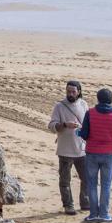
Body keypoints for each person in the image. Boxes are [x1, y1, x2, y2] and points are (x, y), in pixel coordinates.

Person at [78, 88, 112, 223]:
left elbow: (85, 134)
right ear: (111, 100)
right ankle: (104, 214)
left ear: (98, 99)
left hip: (92, 153)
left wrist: (79, 132)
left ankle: (93, 214)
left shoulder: (90, 113)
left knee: (92, 184)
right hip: (108, 155)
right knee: (106, 185)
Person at [48, 81, 89, 215]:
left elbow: (88, 124)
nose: (70, 94)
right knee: (65, 180)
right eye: (68, 91)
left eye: (73, 91)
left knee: (86, 178)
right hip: (65, 150)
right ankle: (68, 205)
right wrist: (65, 125)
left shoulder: (83, 104)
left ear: (79, 92)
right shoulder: (59, 106)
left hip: (82, 150)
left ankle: (85, 202)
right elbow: (51, 126)